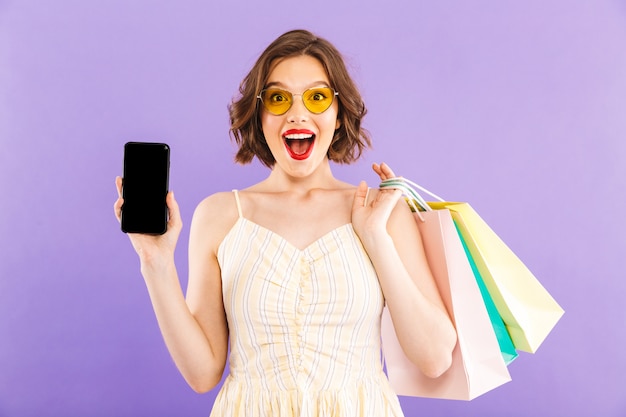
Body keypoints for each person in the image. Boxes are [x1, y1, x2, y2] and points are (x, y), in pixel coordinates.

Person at [114, 29, 456, 416]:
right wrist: (156, 264)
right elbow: (202, 374)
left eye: (317, 97)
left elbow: (434, 357)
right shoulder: (219, 215)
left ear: (339, 115)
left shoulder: (382, 211)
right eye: (278, 98)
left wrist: (376, 237)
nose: (297, 113)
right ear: (259, 117)